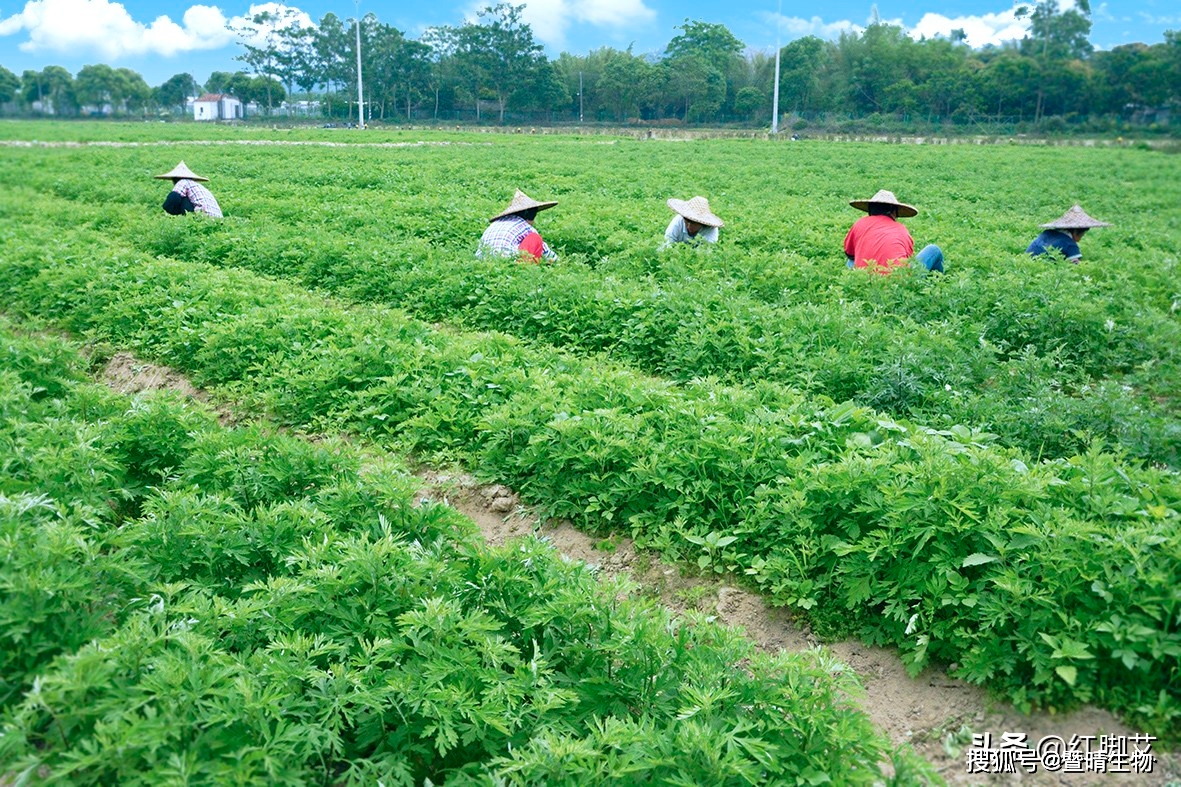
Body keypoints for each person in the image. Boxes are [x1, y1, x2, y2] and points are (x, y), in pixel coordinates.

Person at [844, 189, 943, 274]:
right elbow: (907, 260)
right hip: (897, 284)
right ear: (893, 211)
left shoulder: (860, 223)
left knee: (850, 262)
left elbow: (849, 254)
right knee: (934, 250)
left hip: (865, 280)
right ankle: (937, 284)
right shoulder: (901, 229)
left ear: (870, 209)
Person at [477, 189, 558, 262]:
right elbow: (547, 254)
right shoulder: (526, 227)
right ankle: (526, 269)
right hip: (508, 263)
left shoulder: (495, 224)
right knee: (535, 238)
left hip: (484, 262)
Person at [1026, 205, 1111, 262]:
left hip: (1027, 262)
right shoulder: (1070, 244)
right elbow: (1076, 267)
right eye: (1082, 235)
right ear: (1075, 232)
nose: (1080, 239)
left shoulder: (1047, 232)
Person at [155, 161, 222, 218]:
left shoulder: (183, 182)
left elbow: (173, 198)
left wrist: (165, 208)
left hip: (203, 216)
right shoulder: (197, 186)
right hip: (217, 218)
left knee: (182, 199)